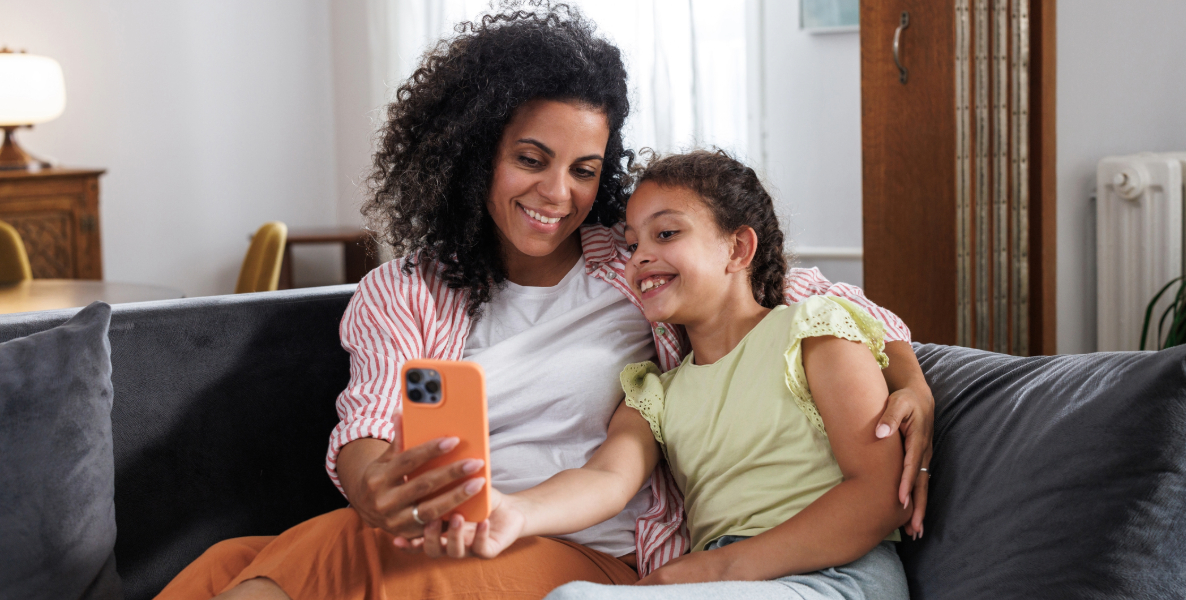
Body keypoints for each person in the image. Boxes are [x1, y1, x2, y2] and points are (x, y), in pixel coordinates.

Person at [157, 5, 933, 599]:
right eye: (532, 159)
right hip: (450, 532)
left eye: (585, 169)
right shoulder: (406, 290)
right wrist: (377, 488)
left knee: (324, 569)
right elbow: (366, 425)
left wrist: (910, 376)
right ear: (472, 154)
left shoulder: (631, 268)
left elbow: (800, 296)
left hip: (593, 551)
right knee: (227, 563)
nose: (558, 194)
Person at [434, 150, 912, 600]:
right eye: (632, 243)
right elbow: (605, 478)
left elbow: (879, 493)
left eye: (666, 234)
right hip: (724, 581)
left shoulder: (812, 332)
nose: (639, 256)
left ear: (739, 248)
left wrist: (710, 569)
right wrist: (514, 510)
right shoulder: (654, 393)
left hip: (837, 579)